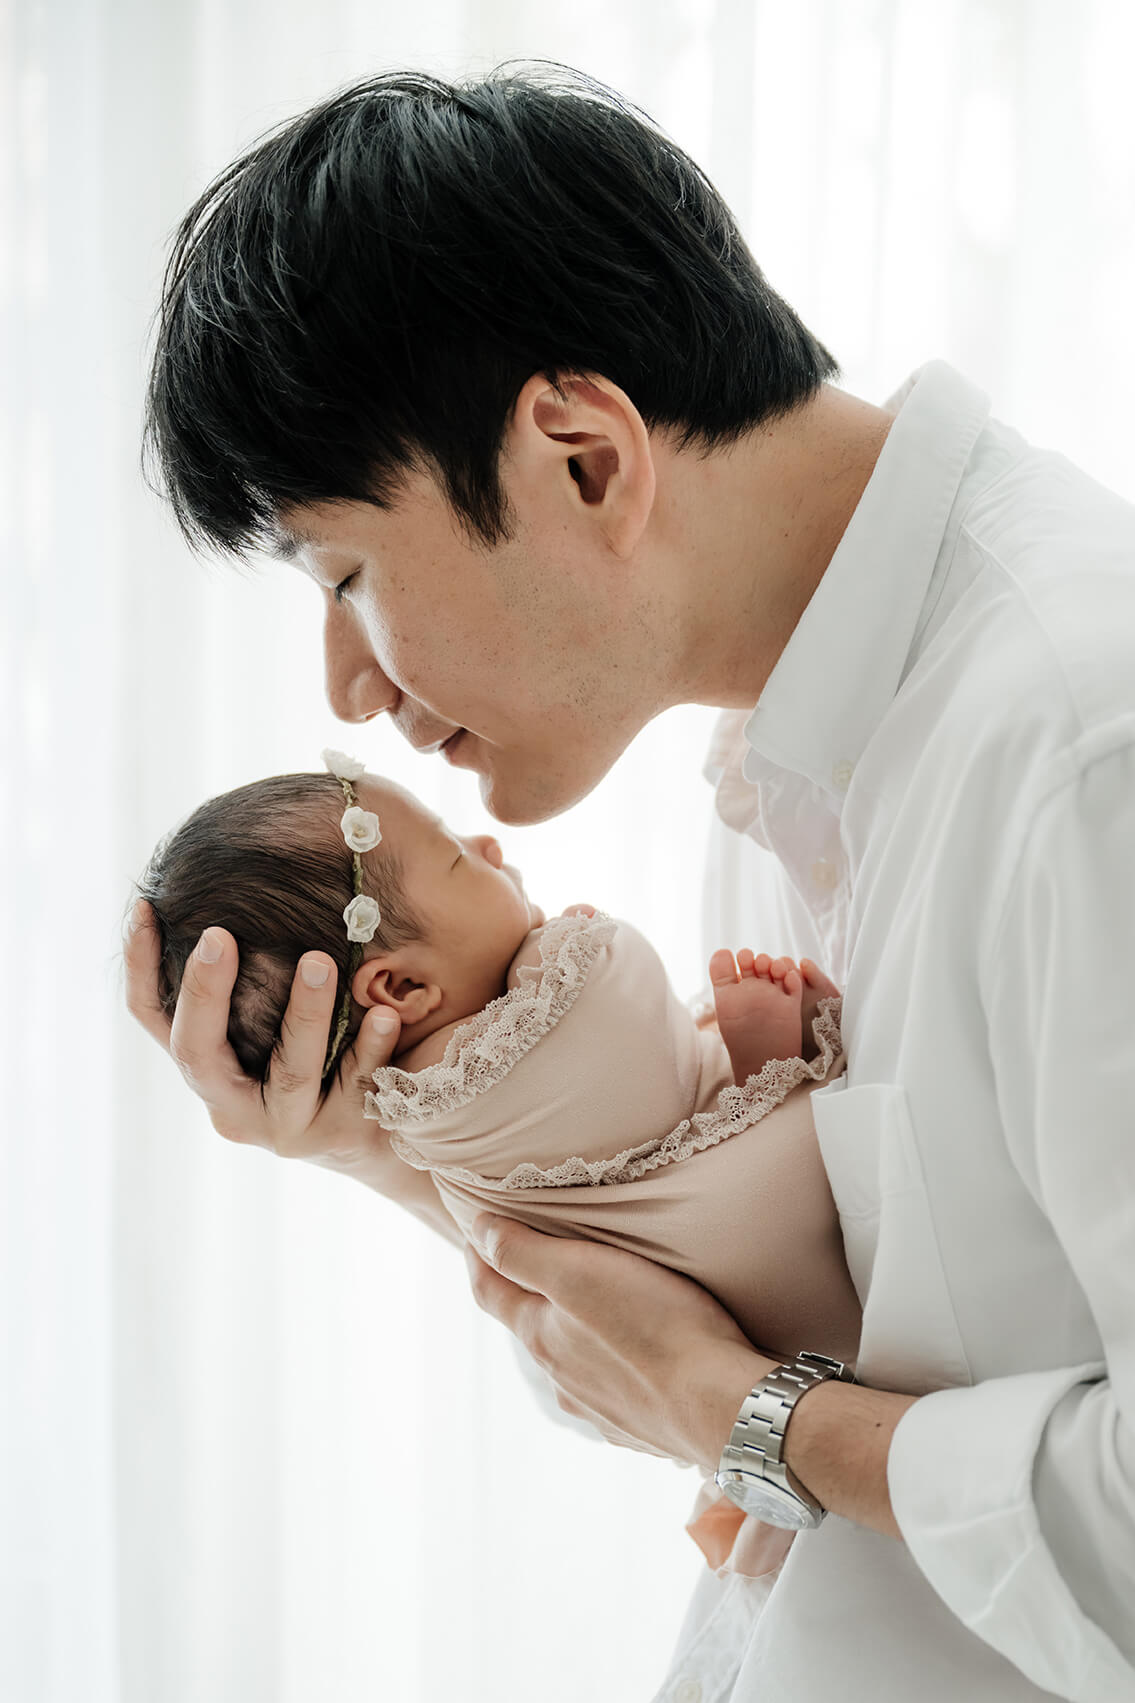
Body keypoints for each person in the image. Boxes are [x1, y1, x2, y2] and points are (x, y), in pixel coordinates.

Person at [124, 61, 1135, 1702]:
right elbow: (691, 1331)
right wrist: (387, 1144)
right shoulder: (782, 739)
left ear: (583, 458)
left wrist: (750, 1419)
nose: (347, 690)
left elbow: (742, 1404)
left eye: (349, 574)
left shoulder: (1087, 741)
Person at [133, 749, 859, 1587]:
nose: (483, 844)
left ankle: (754, 1086)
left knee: (697, 1164)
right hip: (787, 1316)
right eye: (451, 852)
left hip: (777, 1384)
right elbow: (609, 997)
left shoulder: (431, 1105)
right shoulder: (492, 1072)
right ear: (400, 986)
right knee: (739, 1207)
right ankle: (763, 1085)